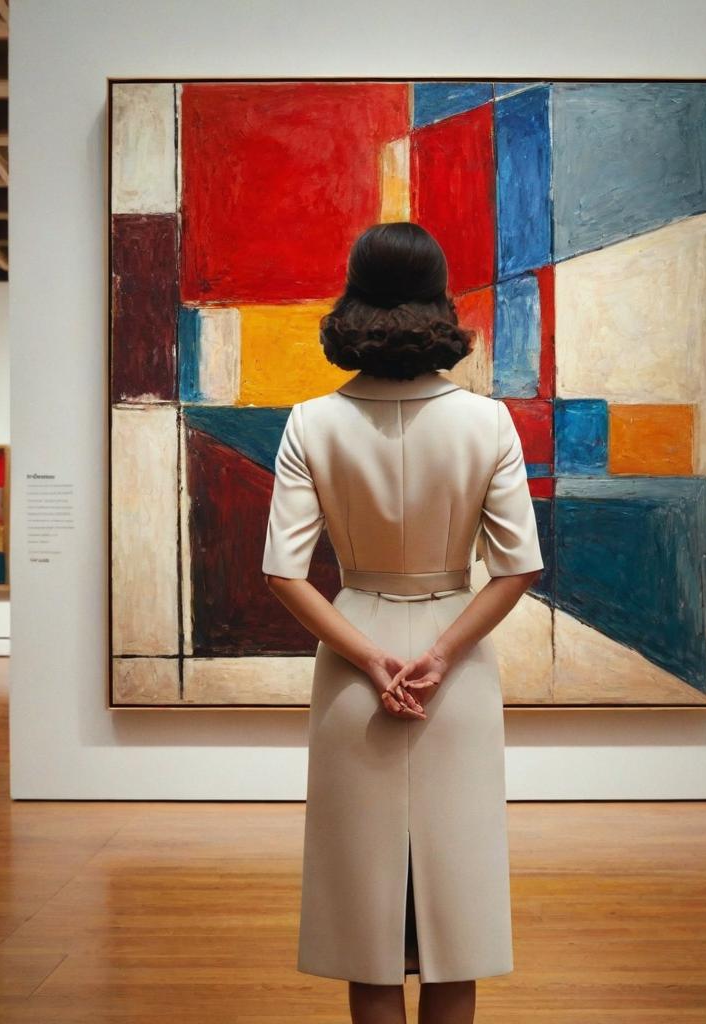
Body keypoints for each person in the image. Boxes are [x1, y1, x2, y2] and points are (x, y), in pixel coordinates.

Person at [261, 221, 545, 1024]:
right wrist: (444, 653)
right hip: (457, 667)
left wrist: (375, 662)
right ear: (437, 300)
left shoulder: (310, 423)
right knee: (459, 917)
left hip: (354, 656)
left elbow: (283, 571)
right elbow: (519, 565)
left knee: (368, 926)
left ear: (354, 298)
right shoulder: (488, 423)